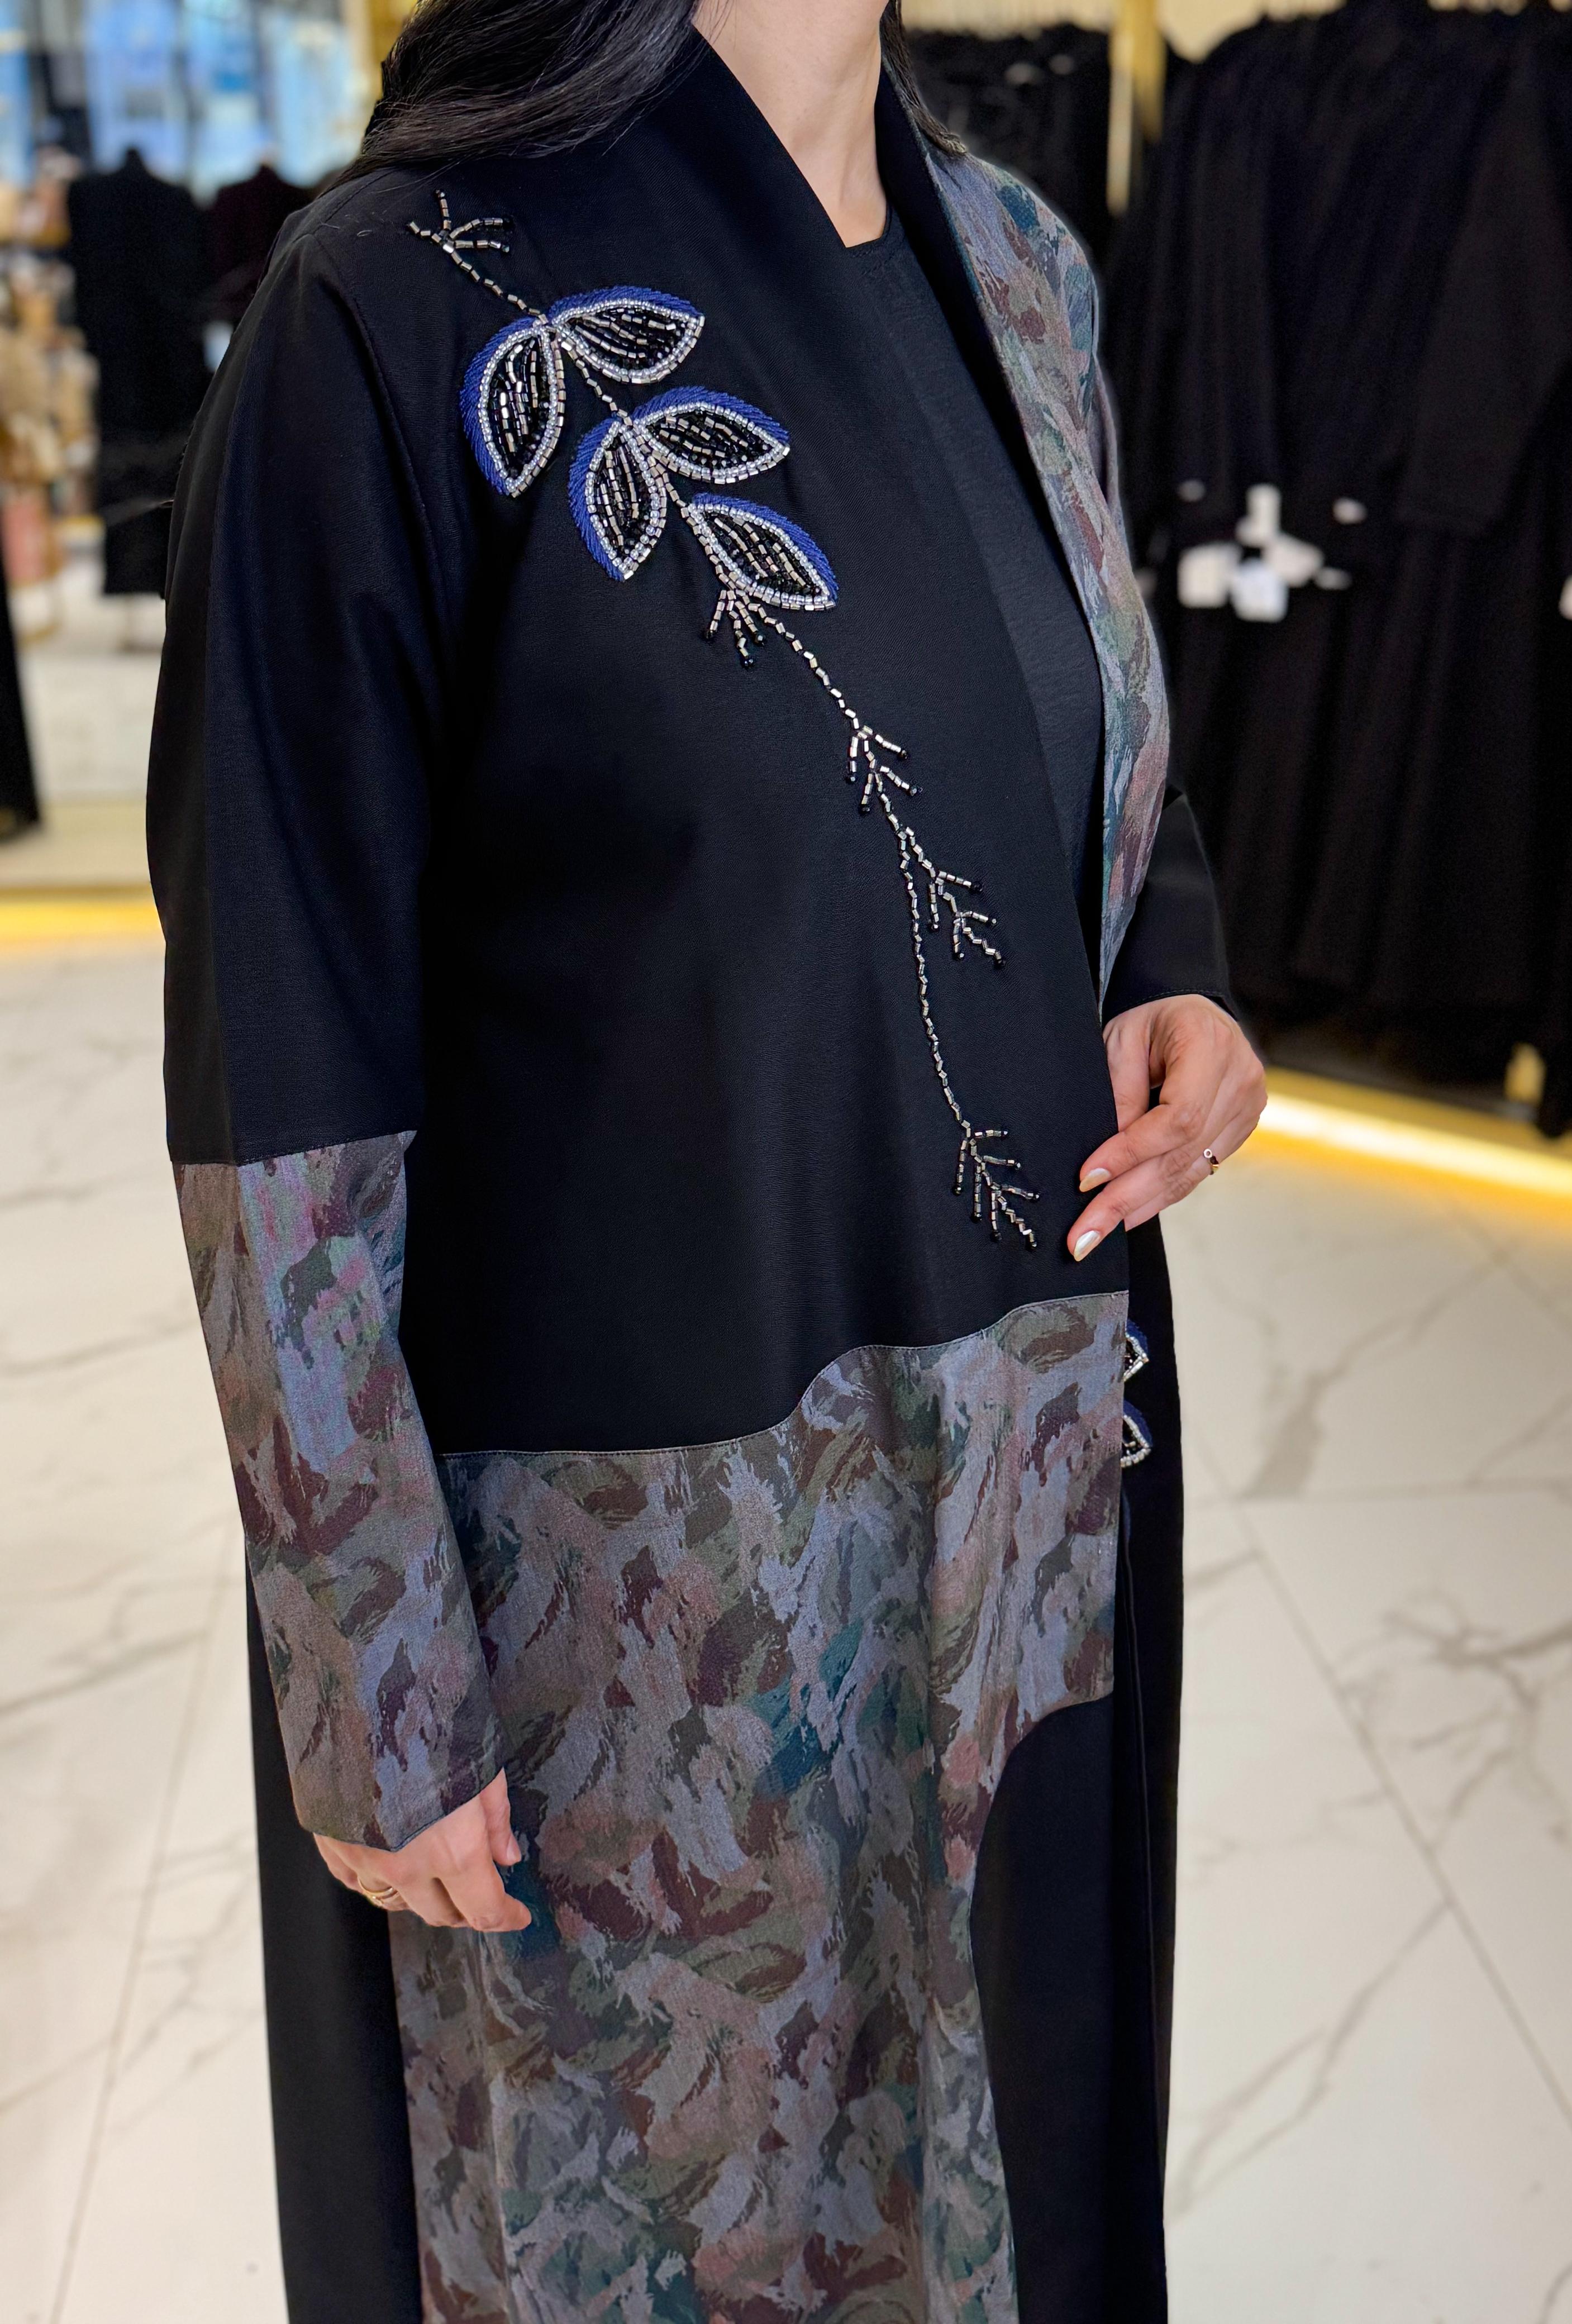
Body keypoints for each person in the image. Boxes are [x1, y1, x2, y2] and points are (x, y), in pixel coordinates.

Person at [149, 2, 1266, 2316]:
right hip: (637, 1590)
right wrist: (375, 1664)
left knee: (1012, 2154)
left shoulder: (1017, 259)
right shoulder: (400, 303)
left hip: (1016, 1490)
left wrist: (1175, 963)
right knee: (654, 2211)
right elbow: (283, 1054)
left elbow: (1063, 706)